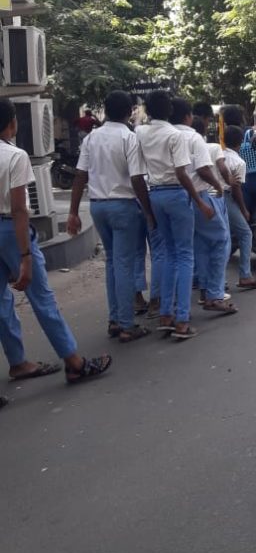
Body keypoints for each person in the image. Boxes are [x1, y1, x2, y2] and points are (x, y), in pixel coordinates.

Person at [0, 98, 112, 384]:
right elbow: (18, 209)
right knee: (42, 298)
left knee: (1, 303)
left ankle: (18, 362)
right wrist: (25, 255)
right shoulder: (14, 156)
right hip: (12, 232)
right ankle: (73, 361)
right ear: (12, 124)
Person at [67, 90, 155, 343]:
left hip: (98, 206)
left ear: (105, 110)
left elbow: (80, 176)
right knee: (124, 264)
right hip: (123, 206)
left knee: (112, 263)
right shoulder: (129, 138)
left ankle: (115, 319)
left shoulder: (92, 138)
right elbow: (138, 179)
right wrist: (148, 211)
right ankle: (127, 324)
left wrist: (73, 212)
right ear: (129, 112)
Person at [136, 90, 213, 340]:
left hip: (155, 194)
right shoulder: (175, 135)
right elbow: (182, 173)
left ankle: (166, 314)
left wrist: (147, 209)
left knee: (168, 255)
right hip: (177, 195)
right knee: (185, 256)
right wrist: (199, 201)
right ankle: (182, 320)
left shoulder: (140, 133)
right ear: (169, 110)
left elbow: (137, 174)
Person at [171, 99, 235, 319]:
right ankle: (214, 294)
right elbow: (203, 171)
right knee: (220, 239)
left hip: (164, 197)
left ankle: (168, 307)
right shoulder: (193, 137)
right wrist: (218, 185)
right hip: (196, 194)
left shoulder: (158, 134)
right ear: (187, 116)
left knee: (185, 248)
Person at [221, 125, 256, 290]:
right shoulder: (238, 162)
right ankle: (245, 275)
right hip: (226, 197)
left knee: (220, 238)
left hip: (211, 197)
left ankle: (216, 280)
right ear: (241, 142)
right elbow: (237, 189)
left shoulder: (217, 155)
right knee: (245, 233)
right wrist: (244, 209)